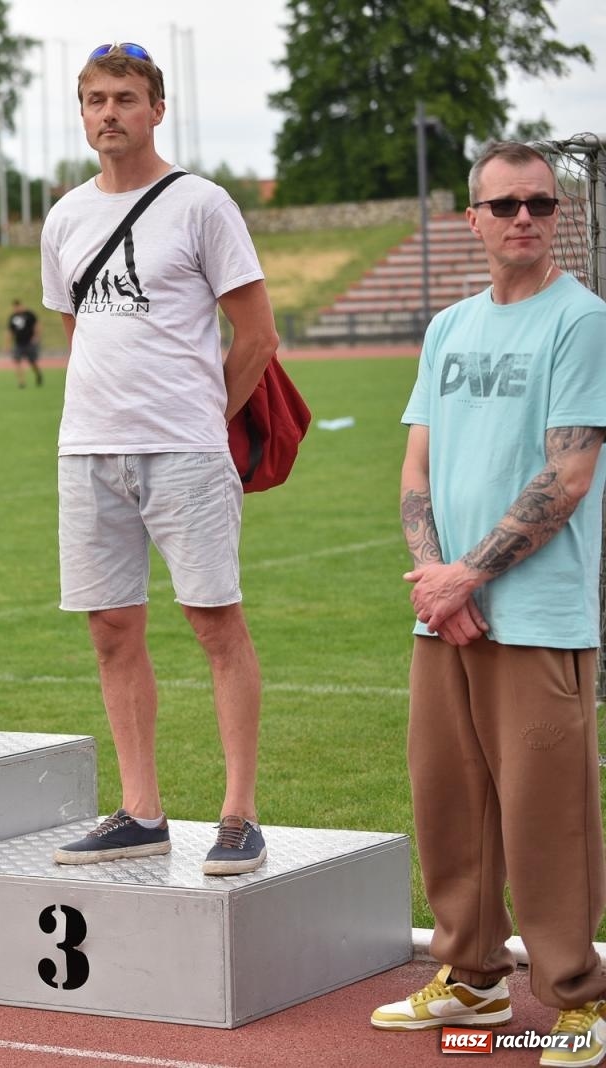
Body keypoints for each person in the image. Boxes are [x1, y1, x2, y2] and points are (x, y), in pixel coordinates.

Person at [370, 141, 606, 1062]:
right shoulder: (449, 327)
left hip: (540, 615)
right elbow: (416, 468)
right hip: (447, 612)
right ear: (472, 218)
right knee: (449, 802)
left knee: (548, 818)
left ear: (560, 216)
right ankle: (469, 980)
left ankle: (579, 999)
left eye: (542, 205)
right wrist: (439, 585)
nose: (524, 218)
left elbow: (571, 470)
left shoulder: (580, 321)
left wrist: (467, 576)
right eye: (506, 204)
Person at [39, 41, 279, 875]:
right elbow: (78, 329)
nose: (111, 113)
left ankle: (240, 813)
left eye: (127, 98)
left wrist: (201, 415)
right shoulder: (65, 216)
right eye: (97, 98)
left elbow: (257, 335)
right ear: (82, 111)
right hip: (88, 450)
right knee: (111, 630)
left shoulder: (202, 203)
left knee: (215, 622)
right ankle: (141, 810)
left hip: (183, 449)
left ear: (156, 108)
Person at [6, 299, 43, 387]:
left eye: (17, 307)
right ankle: (21, 382)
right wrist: (7, 344)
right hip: (18, 343)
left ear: (20, 305)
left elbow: (37, 325)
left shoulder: (29, 314)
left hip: (29, 343)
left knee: (32, 362)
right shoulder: (13, 317)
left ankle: (38, 374)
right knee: (17, 361)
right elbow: (10, 331)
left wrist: (36, 337)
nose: (15, 309)